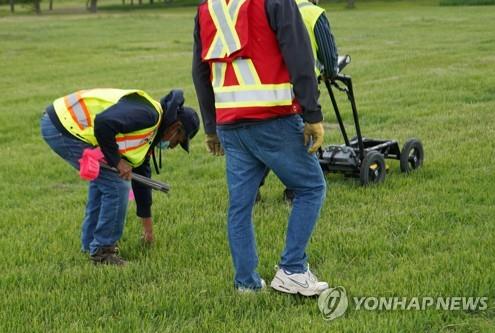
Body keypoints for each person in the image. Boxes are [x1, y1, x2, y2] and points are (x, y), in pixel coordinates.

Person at [192, 0, 328, 295]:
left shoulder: (208, 7)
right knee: (311, 187)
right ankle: (292, 270)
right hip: (272, 117)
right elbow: (300, 55)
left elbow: (200, 72)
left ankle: (246, 284)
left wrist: (211, 127)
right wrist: (313, 114)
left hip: (229, 124)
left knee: (240, 205)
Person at [41, 88, 199, 265]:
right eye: (178, 141)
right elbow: (103, 123)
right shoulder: (149, 115)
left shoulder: (149, 137)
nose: (172, 146)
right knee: (116, 185)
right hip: (64, 126)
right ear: (175, 128)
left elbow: (142, 184)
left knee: (104, 182)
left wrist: (148, 231)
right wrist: (116, 161)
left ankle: (90, 243)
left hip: (62, 122)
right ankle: (103, 252)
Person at [259, 0, 339, 204]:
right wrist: (330, 72)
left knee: (267, 138)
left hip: (271, 86)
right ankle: (296, 190)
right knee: (302, 138)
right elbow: (329, 57)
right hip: (302, 87)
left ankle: (253, 189)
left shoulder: (272, 7)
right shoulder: (314, 13)